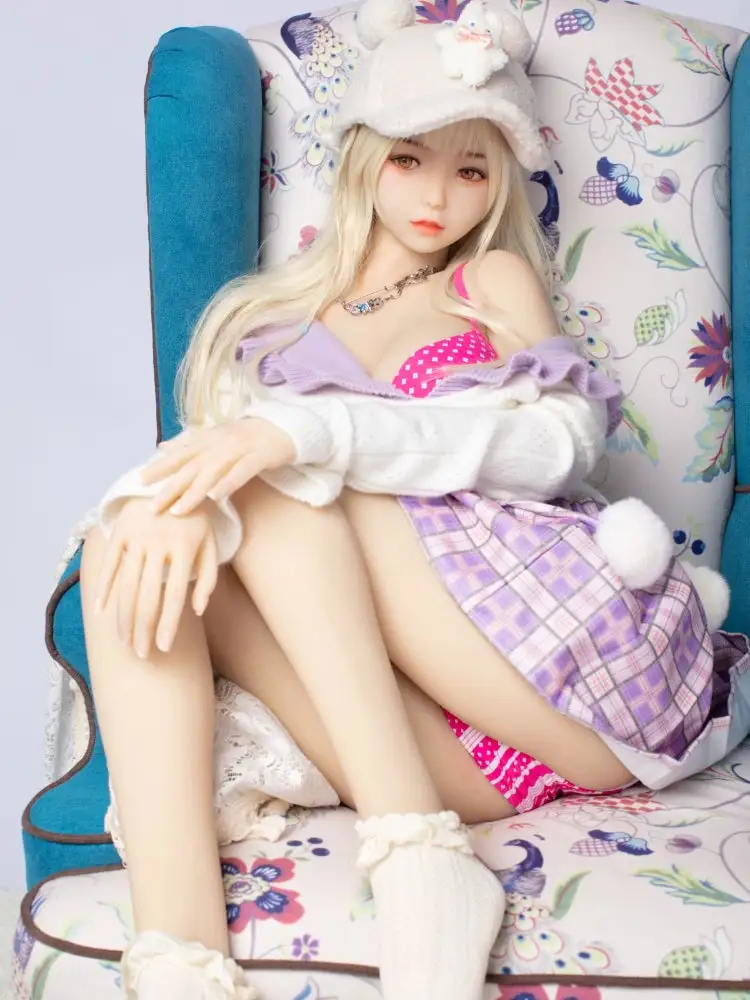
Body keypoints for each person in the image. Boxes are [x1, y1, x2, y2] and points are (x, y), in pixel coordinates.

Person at [75, 0, 750, 997]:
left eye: (471, 169)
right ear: (363, 153)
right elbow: (206, 476)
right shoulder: (269, 324)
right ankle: (181, 959)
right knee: (123, 548)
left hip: (565, 663)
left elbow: (562, 444)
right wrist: (152, 502)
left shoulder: (487, 279)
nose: (438, 195)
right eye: (409, 158)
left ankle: (418, 852)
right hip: (425, 740)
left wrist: (312, 434)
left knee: (279, 484)